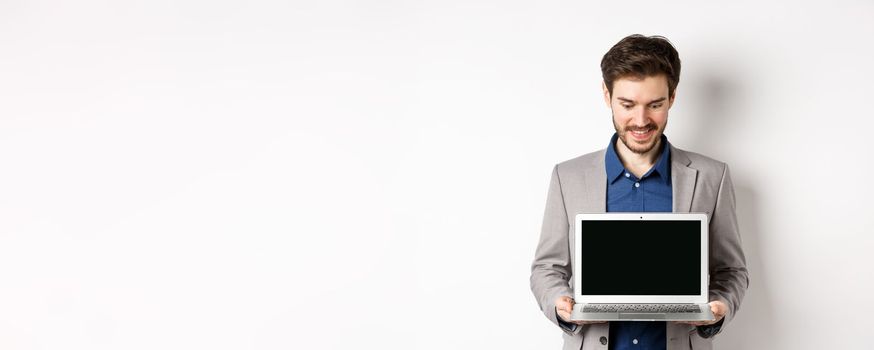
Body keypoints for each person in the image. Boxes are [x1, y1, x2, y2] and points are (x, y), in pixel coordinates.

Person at [529, 34, 749, 350]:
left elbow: (731, 270)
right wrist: (559, 303)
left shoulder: (712, 176)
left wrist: (719, 306)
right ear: (607, 95)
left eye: (655, 105)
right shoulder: (568, 177)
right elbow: (546, 268)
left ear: (672, 97)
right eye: (627, 104)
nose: (641, 120)